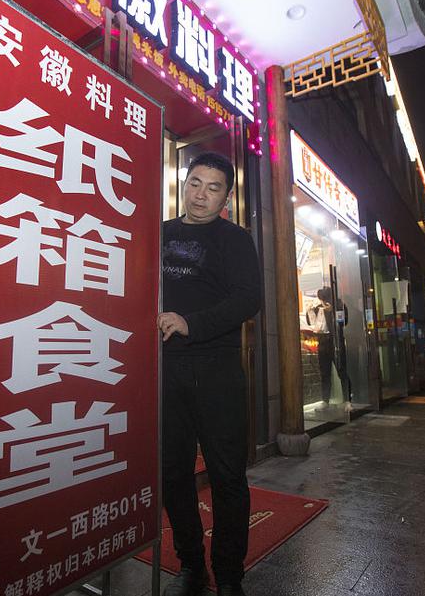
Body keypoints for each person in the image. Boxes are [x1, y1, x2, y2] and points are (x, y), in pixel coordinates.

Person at [156, 152, 262, 596]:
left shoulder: (234, 239)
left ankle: (230, 575)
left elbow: (248, 299)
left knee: (227, 476)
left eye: (213, 187)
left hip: (217, 371)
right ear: (184, 184)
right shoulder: (160, 233)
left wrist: (191, 323)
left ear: (227, 197)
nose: (200, 194)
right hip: (165, 370)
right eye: (195, 183)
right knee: (172, 473)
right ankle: (192, 565)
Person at [305, 286, 349, 406]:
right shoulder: (319, 307)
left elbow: (343, 322)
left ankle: (347, 400)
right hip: (323, 342)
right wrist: (309, 310)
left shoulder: (339, 305)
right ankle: (325, 400)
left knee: (342, 371)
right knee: (325, 373)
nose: (322, 302)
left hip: (336, 342)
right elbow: (311, 322)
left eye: (324, 299)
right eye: (321, 299)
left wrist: (332, 311)